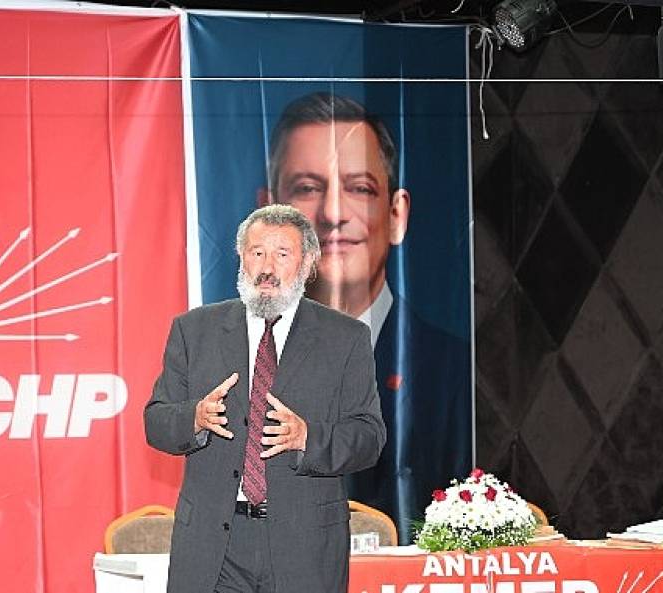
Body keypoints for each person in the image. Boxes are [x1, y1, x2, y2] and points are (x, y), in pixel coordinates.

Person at [261, 92, 471, 543]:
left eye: (359, 188)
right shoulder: (232, 362)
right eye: (307, 188)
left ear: (396, 216)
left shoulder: (459, 373)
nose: (333, 214)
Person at [145, 204, 385, 593]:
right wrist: (194, 418)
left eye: (282, 254)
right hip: (213, 547)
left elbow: (368, 437)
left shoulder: (345, 338)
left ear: (308, 263)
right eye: (257, 252)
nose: (267, 267)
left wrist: (309, 437)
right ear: (242, 258)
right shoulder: (194, 330)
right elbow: (156, 421)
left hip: (305, 546)